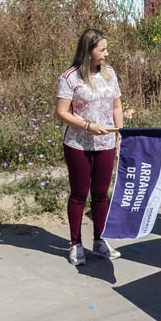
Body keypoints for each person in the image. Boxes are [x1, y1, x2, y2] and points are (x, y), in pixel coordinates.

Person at [56, 28, 124, 266]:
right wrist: (87, 126)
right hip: (78, 143)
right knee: (79, 194)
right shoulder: (70, 77)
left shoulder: (110, 74)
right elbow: (62, 113)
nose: (107, 53)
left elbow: (117, 106)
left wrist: (119, 135)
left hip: (106, 142)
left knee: (101, 194)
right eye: (102, 49)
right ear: (88, 51)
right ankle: (75, 244)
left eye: (107, 48)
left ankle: (100, 240)